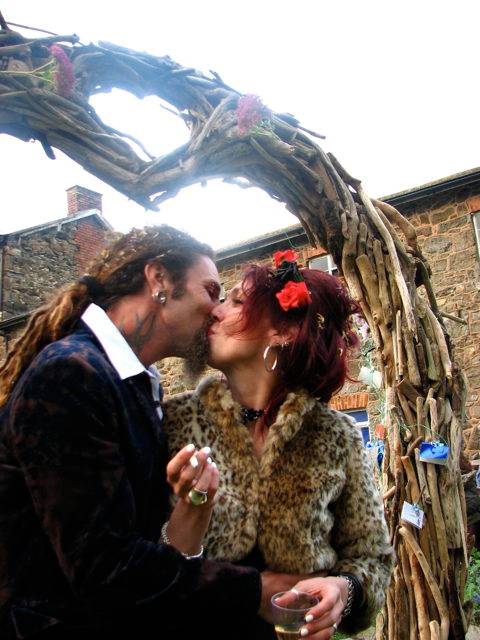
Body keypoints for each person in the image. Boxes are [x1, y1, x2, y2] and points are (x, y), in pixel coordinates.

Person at [0, 226, 304, 640]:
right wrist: (256, 589)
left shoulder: (137, 383)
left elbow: (143, 542)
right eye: (211, 291)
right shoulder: (71, 374)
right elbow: (104, 569)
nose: (216, 310)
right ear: (159, 280)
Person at [163, 249, 395, 639]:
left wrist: (344, 590)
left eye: (236, 301)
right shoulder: (172, 423)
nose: (215, 311)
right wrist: (190, 509)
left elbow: (371, 556)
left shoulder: (335, 436)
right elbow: (138, 566)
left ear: (283, 332)